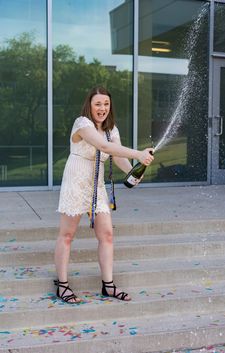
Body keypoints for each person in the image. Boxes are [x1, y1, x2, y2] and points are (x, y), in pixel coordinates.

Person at [54, 86, 154, 303]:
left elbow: (117, 156)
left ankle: (108, 286)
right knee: (67, 235)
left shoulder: (112, 130)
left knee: (107, 234)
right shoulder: (82, 124)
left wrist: (132, 171)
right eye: (98, 104)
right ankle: (62, 285)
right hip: (76, 180)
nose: (102, 108)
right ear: (89, 105)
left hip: (96, 184)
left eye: (106, 104)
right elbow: (104, 147)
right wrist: (138, 154)